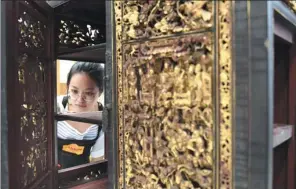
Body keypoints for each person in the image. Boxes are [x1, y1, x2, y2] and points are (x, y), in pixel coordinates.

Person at [57, 62, 105, 169]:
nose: (79, 100)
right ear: (67, 86)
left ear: (100, 92)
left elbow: (96, 159)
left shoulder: (104, 119)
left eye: (88, 93)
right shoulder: (56, 107)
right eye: (74, 91)